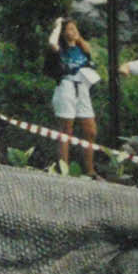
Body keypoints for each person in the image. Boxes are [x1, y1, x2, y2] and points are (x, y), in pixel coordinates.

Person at [45, 16, 100, 176]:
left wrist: (76, 35)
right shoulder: (60, 50)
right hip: (66, 87)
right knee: (66, 130)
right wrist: (57, 26)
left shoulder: (82, 48)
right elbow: (51, 44)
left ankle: (90, 170)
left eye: (75, 28)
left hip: (83, 88)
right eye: (69, 29)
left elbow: (88, 53)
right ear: (62, 33)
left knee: (90, 130)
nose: (74, 31)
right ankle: (64, 171)